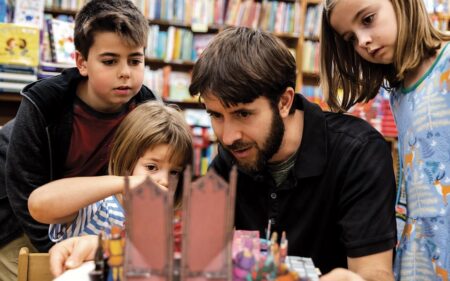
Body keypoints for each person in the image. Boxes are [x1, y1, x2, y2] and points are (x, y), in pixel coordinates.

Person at [48, 27, 397, 280]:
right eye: (216, 115)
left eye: (243, 113)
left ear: (285, 101)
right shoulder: (233, 155)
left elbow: (373, 275)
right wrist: (102, 245)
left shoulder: (358, 153)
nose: (228, 136)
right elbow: (183, 241)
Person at [0, 0, 158, 280]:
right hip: (15, 219)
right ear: (82, 62)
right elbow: (22, 191)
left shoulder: (147, 107)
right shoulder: (43, 103)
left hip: (86, 221)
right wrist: (58, 250)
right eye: (110, 61)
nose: (125, 72)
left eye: (135, 60)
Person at [320, 0, 450, 279]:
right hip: (420, 260)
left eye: (367, 19)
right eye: (351, 38)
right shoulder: (398, 93)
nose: (363, 42)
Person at [28, 101, 192, 241]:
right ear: (123, 159)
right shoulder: (98, 208)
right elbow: (38, 204)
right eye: (151, 167)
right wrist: (124, 183)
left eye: (174, 172)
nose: (164, 181)